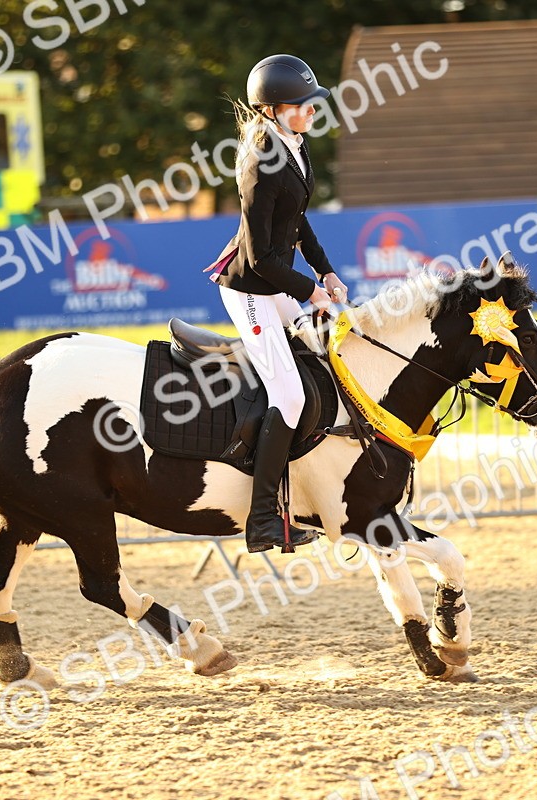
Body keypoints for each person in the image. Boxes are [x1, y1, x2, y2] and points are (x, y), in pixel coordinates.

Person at [207, 54, 350, 553]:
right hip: (250, 289)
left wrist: (325, 270)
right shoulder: (259, 164)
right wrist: (309, 291)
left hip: (278, 282)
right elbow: (262, 259)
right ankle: (264, 520)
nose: (313, 111)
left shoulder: (295, 147)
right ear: (271, 110)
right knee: (288, 396)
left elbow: (300, 220)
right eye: (303, 104)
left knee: (328, 349)